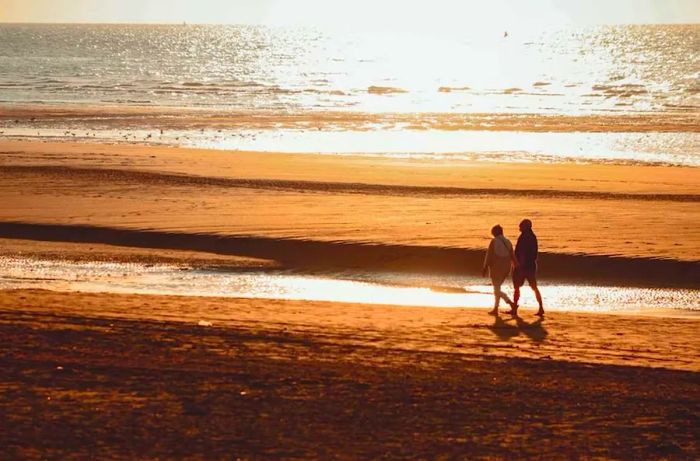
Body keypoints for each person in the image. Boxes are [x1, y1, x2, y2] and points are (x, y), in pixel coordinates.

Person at [505, 219, 544, 317]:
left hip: (524, 266)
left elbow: (521, 252)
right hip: (530, 265)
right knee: (533, 287)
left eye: (521, 226)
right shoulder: (532, 237)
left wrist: (518, 265)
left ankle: (514, 308)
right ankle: (541, 307)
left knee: (517, 287)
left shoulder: (525, 237)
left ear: (526, 227)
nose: (519, 227)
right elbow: (532, 254)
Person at [482, 224, 516, 315]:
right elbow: (512, 256)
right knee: (497, 288)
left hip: (496, 267)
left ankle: (510, 303)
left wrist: (485, 267)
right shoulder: (508, 241)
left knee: (496, 289)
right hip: (506, 268)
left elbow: (489, 255)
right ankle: (496, 309)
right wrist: (515, 267)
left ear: (495, 232)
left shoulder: (494, 241)